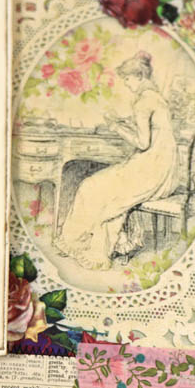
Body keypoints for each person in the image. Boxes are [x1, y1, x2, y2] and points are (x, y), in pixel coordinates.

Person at [54, 51, 178, 269]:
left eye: (128, 79)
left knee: (91, 185)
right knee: (107, 187)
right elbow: (153, 134)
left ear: (139, 76)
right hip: (165, 170)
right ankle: (92, 244)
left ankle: (79, 243)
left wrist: (115, 126)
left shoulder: (143, 102)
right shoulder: (157, 99)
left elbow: (142, 143)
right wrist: (124, 123)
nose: (127, 85)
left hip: (151, 169)